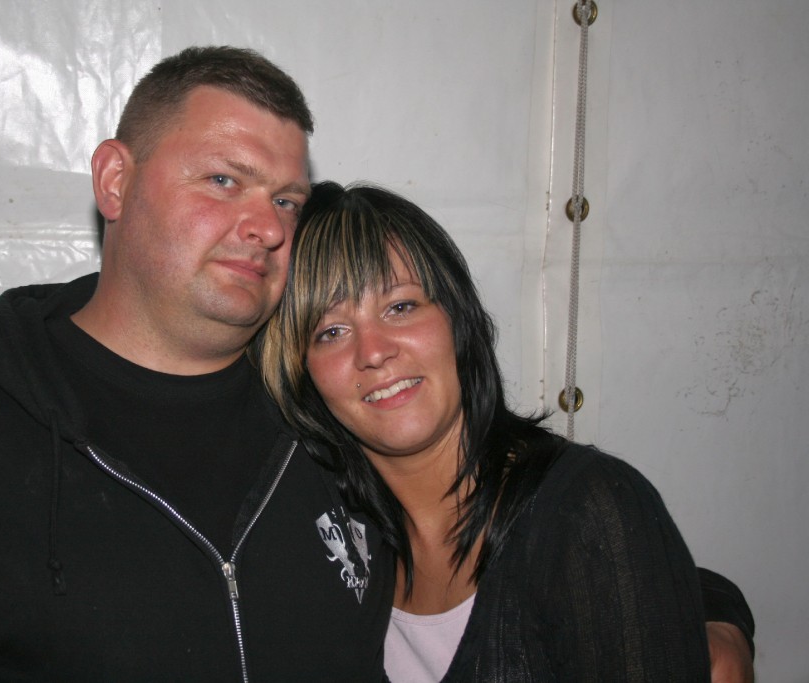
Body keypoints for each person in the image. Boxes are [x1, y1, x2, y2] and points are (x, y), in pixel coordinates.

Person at [0, 47, 752, 681]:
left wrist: (712, 616)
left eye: (286, 199)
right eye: (224, 180)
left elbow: (552, 536)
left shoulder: (316, 418)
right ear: (115, 179)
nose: (265, 225)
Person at [258, 181, 755, 681]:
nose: (373, 351)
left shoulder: (586, 510)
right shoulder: (341, 543)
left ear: (457, 318)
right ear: (303, 375)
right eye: (331, 332)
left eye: (401, 307)